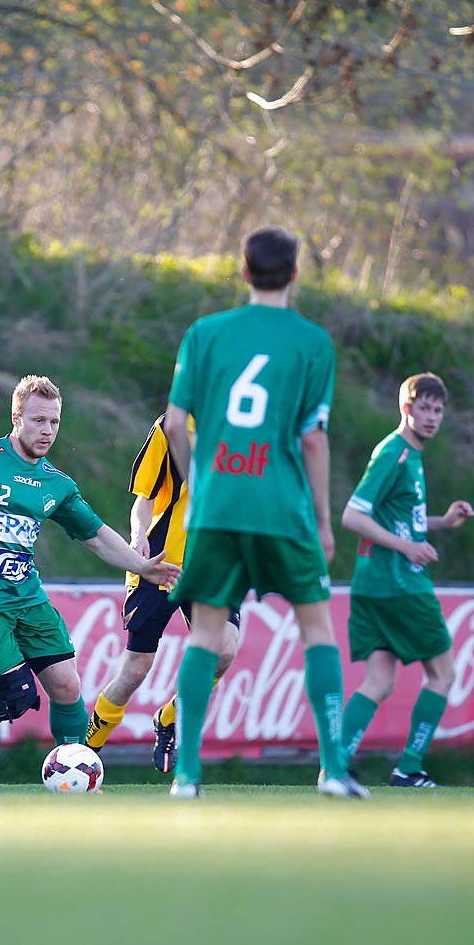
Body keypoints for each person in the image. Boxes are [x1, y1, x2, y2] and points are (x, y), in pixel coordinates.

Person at [162, 227, 365, 799]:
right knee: (316, 628)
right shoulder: (313, 343)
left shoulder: (204, 334)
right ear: (295, 274)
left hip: (217, 507)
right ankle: (332, 771)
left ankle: (187, 775)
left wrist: (197, 481)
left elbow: (176, 424)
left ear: (243, 272)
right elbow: (313, 440)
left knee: (204, 634)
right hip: (281, 506)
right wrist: (324, 522)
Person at [0, 375, 180, 753]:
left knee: (67, 685)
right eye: (38, 421)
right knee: (17, 696)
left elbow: (96, 535)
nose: (47, 431)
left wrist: (142, 567)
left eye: (55, 422)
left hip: (27, 599)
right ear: (16, 418)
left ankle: (75, 768)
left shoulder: (56, 484)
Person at [338, 372, 474, 787]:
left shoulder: (409, 456)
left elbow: (399, 520)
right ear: (406, 407)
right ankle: (410, 766)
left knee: (379, 681)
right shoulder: (394, 454)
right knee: (443, 674)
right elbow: (353, 516)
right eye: (424, 407)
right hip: (400, 583)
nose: (432, 417)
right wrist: (406, 548)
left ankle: (336, 764)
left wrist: (442, 523)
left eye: (438, 410)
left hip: (372, 584)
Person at [85, 412, 242, 772]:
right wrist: (138, 535)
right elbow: (145, 497)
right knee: (136, 670)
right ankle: (85, 752)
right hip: (160, 563)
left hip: (214, 565)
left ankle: (169, 718)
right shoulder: (171, 425)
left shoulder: (248, 426)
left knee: (223, 651)